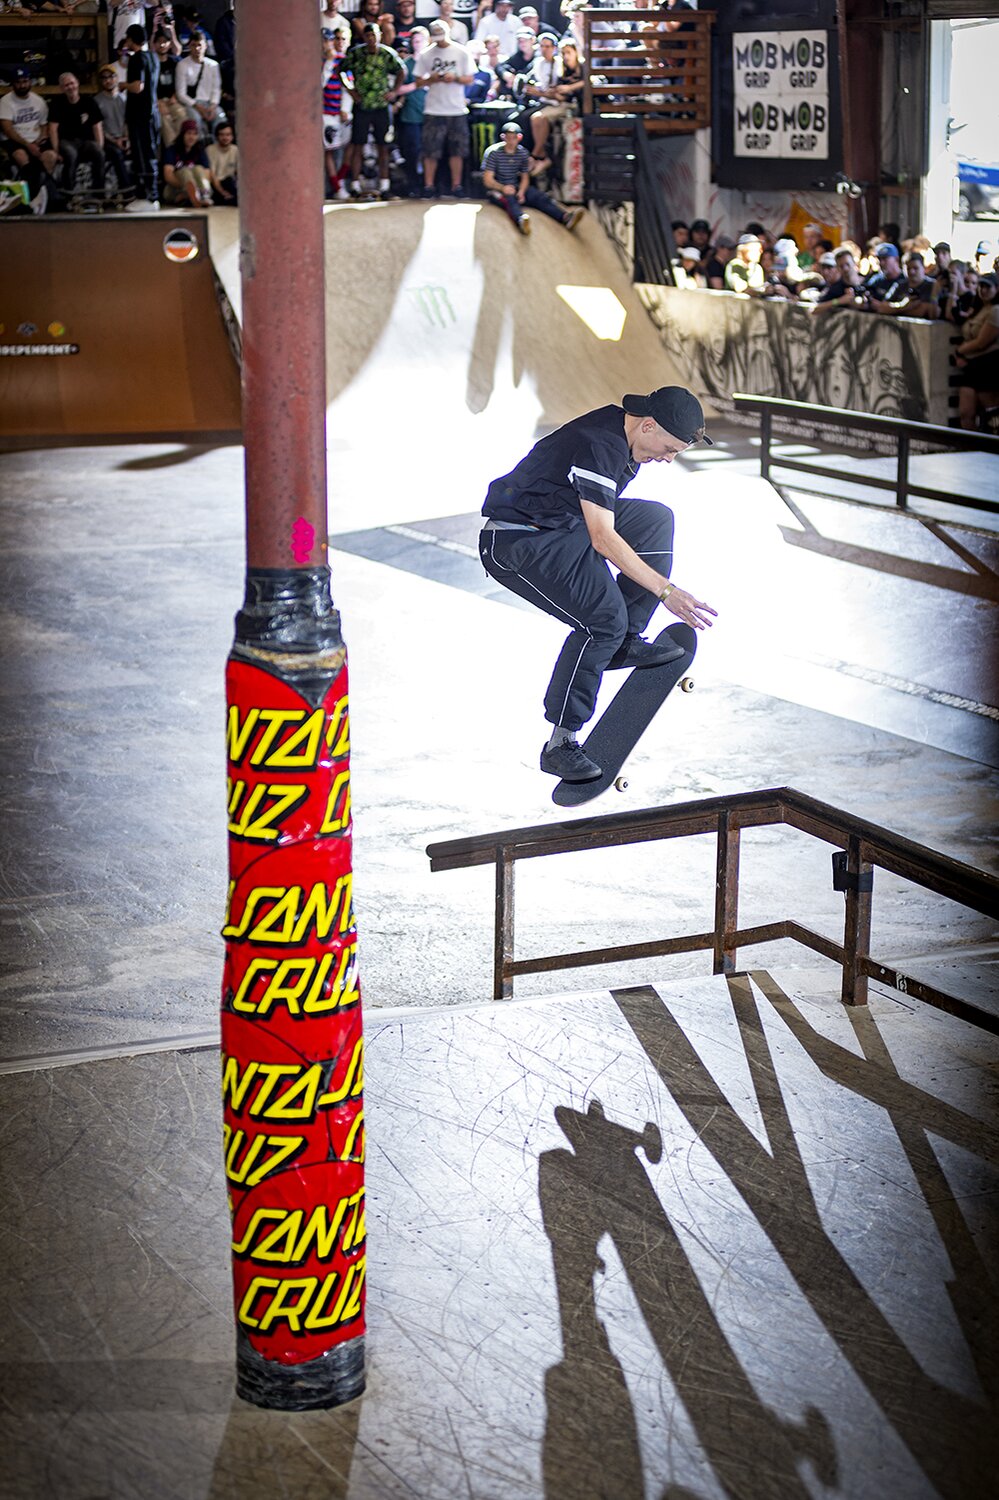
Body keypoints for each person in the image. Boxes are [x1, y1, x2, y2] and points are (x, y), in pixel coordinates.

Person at [478, 387, 717, 782]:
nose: (667, 459)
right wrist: (667, 592)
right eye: (669, 449)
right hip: (518, 541)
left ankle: (624, 641)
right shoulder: (601, 446)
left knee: (655, 520)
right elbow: (603, 538)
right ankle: (560, 744)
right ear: (648, 426)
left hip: (561, 526)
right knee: (603, 622)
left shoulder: (624, 432)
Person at [481, 118, 582, 235]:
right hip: (498, 189)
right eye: (508, 137)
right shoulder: (494, 153)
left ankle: (564, 217)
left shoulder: (522, 153)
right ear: (503, 137)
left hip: (515, 186)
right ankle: (520, 220)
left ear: (519, 137)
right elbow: (487, 180)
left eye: (514, 137)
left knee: (539, 196)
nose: (511, 141)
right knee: (510, 200)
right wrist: (502, 188)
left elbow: (525, 176)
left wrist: (522, 191)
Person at [340, 20, 404, 199]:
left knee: (383, 146)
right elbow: (341, 70)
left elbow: (401, 71)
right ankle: (355, 185)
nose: (371, 39)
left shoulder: (387, 53)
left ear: (380, 36)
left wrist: (394, 92)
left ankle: (384, 185)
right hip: (362, 106)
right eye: (367, 35)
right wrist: (351, 90)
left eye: (374, 35)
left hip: (382, 106)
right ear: (363, 37)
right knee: (357, 145)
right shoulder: (356, 53)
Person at [415, 18, 473, 197]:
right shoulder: (426, 54)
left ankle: (456, 186)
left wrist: (455, 78)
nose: (439, 42)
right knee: (430, 150)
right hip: (434, 108)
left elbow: (470, 78)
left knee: (457, 150)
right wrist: (432, 79)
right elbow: (418, 81)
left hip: (456, 108)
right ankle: (428, 186)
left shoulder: (461, 52)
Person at [0, 66, 56, 210]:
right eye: (18, 82)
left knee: (50, 156)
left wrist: (41, 138)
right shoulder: (5, 101)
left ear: (30, 82)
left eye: (25, 81)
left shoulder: (38, 101)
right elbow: (8, 129)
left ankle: (47, 194)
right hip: (16, 140)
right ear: (13, 84)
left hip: (36, 139)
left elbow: (44, 125)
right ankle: (29, 199)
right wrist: (28, 145)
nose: (22, 85)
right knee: (21, 156)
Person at [48, 70, 105, 201]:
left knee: (99, 153)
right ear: (62, 88)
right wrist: (56, 151)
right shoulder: (56, 103)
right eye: (66, 85)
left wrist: (100, 146)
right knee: (71, 154)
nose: (70, 87)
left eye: (72, 83)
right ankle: (69, 195)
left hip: (85, 141)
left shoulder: (89, 102)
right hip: (66, 141)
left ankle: (99, 194)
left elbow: (97, 127)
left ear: (77, 83)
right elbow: (52, 129)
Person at [121, 23, 159, 210]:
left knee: (141, 155)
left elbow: (137, 86)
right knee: (149, 153)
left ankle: (146, 196)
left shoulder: (136, 58)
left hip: (139, 115)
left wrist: (123, 85)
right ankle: (152, 195)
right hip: (152, 114)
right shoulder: (153, 57)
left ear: (130, 39)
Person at [954, 273, 999, 429]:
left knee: (991, 414)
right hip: (971, 365)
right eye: (981, 286)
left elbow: (982, 342)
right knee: (966, 413)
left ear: (997, 289)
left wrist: (960, 351)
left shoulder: (996, 310)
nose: (983, 290)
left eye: (987, 287)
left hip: (988, 366)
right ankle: (970, 443)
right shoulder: (977, 309)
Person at [394, 23, 427, 195]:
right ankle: (413, 184)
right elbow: (397, 89)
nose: (417, 44)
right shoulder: (406, 64)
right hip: (411, 114)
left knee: (430, 151)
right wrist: (418, 84)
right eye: (415, 41)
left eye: (420, 40)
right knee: (412, 150)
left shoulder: (433, 61)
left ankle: (429, 184)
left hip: (432, 113)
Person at [174, 29, 224, 140]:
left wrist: (213, 106)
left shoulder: (213, 65)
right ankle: (201, 147)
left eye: (199, 45)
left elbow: (216, 89)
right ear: (189, 46)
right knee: (195, 122)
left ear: (205, 46)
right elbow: (181, 93)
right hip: (192, 104)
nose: (197, 48)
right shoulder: (182, 65)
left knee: (221, 120)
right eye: (194, 45)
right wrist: (197, 106)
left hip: (210, 104)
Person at [162, 116, 211, 204]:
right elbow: (168, 175)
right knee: (185, 171)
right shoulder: (172, 150)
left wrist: (196, 185)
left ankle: (202, 196)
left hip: (199, 187)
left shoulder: (200, 150)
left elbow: (206, 174)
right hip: (176, 188)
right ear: (182, 134)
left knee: (198, 168)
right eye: (189, 133)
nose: (191, 137)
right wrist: (189, 186)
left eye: (195, 134)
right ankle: (192, 196)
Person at [153, 26, 186, 148]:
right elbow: (147, 87)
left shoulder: (175, 62)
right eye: (159, 42)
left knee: (181, 115)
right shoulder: (151, 63)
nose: (162, 45)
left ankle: (183, 148)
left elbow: (181, 82)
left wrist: (175, 96)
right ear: (154, 44)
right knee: (164, 119)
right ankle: (173, 151)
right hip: (157, 102)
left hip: (173, 100)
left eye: (165, 42)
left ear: (169, 44)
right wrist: (157, 102)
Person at [206, 117, 237, 203]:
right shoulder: (210, 150)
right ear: (217, 136)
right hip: (215, 185)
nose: (225, 138)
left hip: (230, 183)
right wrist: (222, 192)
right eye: (222, 135)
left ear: (232, 136)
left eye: (228, 135)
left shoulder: (236, 150)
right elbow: (212, 175)